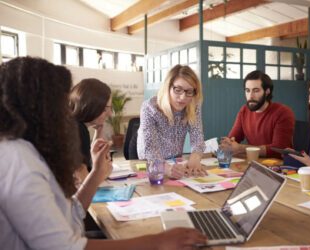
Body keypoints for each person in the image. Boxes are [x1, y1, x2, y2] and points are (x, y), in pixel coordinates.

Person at [0, 57, 206, 249]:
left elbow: (72, 215)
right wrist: (158, 241)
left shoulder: (29, 150)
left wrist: (97, 173)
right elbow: (66, 247)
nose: (68, 111)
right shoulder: (17, 163)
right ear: (38, 108)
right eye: (61, 103)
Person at [137, 65, 207, 178]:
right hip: (147, 164)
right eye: (178, 90)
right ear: (168, 88)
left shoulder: (193, 106)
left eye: (189, 91)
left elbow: (197, 137)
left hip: (175, 162)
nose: (183, 97)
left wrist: (195, 157)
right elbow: (149, 148)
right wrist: (165, 168)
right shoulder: (149, 107)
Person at [220, 70, 295, 159]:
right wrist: (228, 144)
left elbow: (279, 150)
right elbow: (232, 139)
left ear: (267, 91)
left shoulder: (283, 112)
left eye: (256, 91)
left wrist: (241, 148)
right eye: (247, 91)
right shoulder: (244, 110)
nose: (250, 96)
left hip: (278, 167)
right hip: (254, 163)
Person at [69, 78, 113, 171]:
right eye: (105, 109)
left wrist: (98, 131)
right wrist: (101, 171)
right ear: (90, 107)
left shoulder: (75, 125)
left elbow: (89, 161)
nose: (109, 114)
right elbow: (83, 180)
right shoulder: (78, 131)